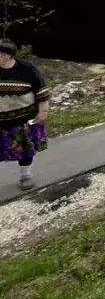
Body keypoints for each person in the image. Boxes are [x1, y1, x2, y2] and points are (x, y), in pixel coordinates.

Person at [0, 38, 50, 191]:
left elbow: (41, 92)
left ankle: (25, 175)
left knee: (25, 150)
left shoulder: (27, 70)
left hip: (22, 120)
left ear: (6, 55)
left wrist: (43, 112)